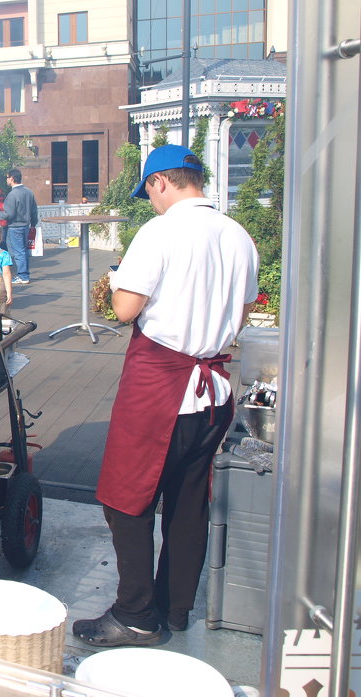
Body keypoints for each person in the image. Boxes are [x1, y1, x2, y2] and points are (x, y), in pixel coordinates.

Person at [71, 145, 259, 648]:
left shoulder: (160, 232)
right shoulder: (239, 235)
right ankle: (175, 609)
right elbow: (239, 317)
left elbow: (126, 309)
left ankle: (135, 615)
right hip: (215, 391)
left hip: (162, 387)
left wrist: (113, 287)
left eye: (149, 191)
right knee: (187, 501)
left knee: (125, 500)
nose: (150, 202)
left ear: (160, 182)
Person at [0, 169, 39, 285]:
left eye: (7, 177)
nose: (6, 180)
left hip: (15, 226)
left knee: (18, 252)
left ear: (12, 179)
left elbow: (9, 213)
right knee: (23, 251)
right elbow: (34, 210)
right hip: (25, 226)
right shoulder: (29, 192)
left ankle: (22, 276)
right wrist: (33, 223)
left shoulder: (12, 194)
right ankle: (25, 274)